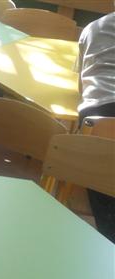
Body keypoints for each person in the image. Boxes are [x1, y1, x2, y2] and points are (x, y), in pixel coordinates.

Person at [77, 10, 115, 243]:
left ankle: (107, 235)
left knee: (100, 175)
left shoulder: (91, 29)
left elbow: (81, 86)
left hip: (95, 118)